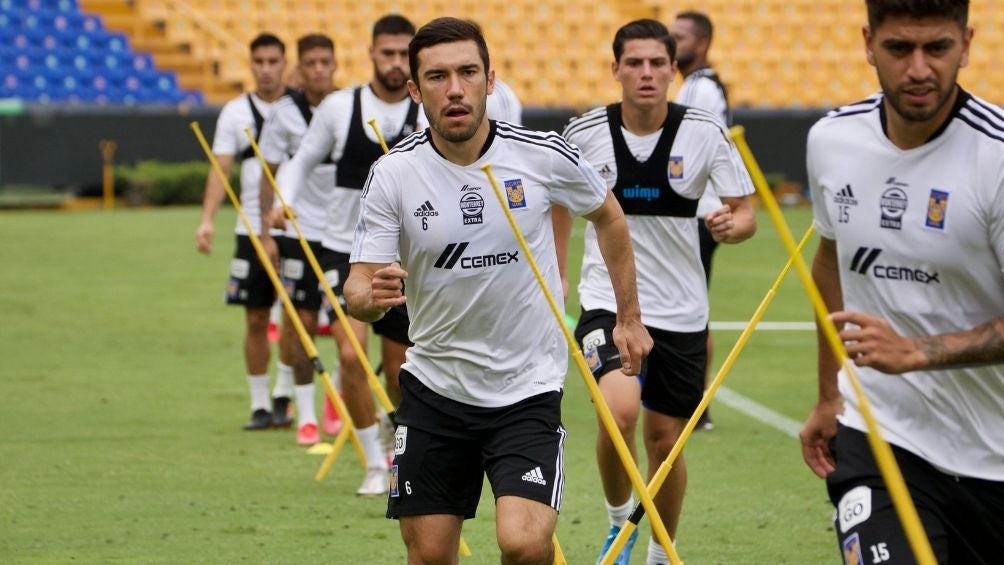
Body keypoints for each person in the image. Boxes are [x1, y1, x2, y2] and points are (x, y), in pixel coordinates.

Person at [344, 17, 653, 565]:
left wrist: (628, 317)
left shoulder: (541, 154)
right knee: (430, 556)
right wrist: (372, 297)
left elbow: (609, 216)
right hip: (435, 389)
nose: (455, 89)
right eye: (437, 76)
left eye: (468, 72)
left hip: (526, 389)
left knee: (525, 544)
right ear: (414, 89)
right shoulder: (393, 173)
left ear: (490, 80)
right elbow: (359, 288)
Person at [799, 1, 1004, 562]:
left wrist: (916, 352)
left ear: (966, 44)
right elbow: (830, 262)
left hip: (992, 456)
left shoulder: (996, 157)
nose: (918, 69)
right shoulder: (831, 140)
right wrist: (830, 394)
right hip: (882, 435)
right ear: (869, 44)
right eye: (898, 48)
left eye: (937, 48)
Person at [559, 19, 756, 565]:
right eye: (634, 63)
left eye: (656, 63)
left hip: (681, 311)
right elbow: (555, 202)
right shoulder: (584, 134)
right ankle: (618, 523)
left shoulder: (704, 132)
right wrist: (556, 274)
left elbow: (745, 213)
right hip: (607, 300)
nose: (646, 73)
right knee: (618, 413)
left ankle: (659, 552)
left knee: (665, 441)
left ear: (673, 69)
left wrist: (732, 226)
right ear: (616, 68)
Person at [271, 14, 423, 495]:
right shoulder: (340, 108)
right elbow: (301, 161)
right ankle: (374, 463)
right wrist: (283, 200)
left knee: (401, 372)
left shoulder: (427, 110)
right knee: (351, 356)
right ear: (371, 54)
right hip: (345, 251)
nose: (395, 63)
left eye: (403, 54)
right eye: (387, 53)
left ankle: (398, 445)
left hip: (405, 258)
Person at [194, 33, 289, 431]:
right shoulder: (235, 112)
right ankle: (260, 403)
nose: (266, 69)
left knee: (296, 317)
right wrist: (207, 220)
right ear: (250, 65)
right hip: (249, 228)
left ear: (285, 64)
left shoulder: (300, 108)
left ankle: (286, 395)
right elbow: (221, 169)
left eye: (273, 61)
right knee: (255, 318)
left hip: (296, 228)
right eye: (259, 62)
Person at [256, 33, 337, 446]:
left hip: (343, 233)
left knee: (349, 328)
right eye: (311, 63)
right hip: (298, 231)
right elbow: (268, 174)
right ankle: (305, 414)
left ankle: (338, 399)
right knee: (300, 324)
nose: (319, 70)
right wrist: (266, 232)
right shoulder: (284, 114)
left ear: (335, 64)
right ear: (299, 69)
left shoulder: (348, 108)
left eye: (325, 62)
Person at [671, 10, 730, 431]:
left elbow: (690, 150)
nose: (672, 44)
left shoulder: (699, 88)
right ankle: (693, 402)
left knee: (690, 310)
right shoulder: (699, 85)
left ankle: (694, 404)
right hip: (701, 211)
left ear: (703, 43)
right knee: (689, 306)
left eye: (680, 37)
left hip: (697, 212)